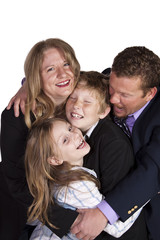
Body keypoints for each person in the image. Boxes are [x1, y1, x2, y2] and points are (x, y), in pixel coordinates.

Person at [70, 47, 160, 240]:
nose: (112, 99)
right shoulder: (110, 80)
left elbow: (152, 170)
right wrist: (29, 86)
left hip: (149, 217)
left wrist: (104, 213)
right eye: (112, 88)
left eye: (124, 95)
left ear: (150, 94)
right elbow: (68, 83)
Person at [0, 38, 80, 240]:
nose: (63, 74)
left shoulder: (84, 98)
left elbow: (108, 76)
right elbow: (17, 184)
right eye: (50, 69)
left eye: (66, 64)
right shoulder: (16, 117)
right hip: (19, 208)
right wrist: (69, 219)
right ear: (37, 76)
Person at [25, 117, 143, 240]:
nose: (75, 135)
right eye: (65, 140)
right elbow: (118, 228)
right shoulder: (77, 185)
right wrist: (144, 193)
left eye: (70, 128)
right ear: (55, 160)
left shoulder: (59, 177)